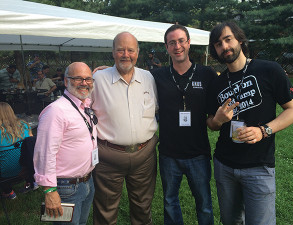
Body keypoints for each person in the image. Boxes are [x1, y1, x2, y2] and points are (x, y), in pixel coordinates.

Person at [207, 21, 293, 225]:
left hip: (259, 166)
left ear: (240, 39)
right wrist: (217, 120)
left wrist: (263, 130)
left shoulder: (269, 69)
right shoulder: (217, 83)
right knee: (230, 221)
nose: (224, 47)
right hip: (224, 165)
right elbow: (211, 124)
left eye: (227, 39)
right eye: (218, 44)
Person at [151, 24, 216, 225]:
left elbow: (215, 111)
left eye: (181, 41)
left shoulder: (207, 74)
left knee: (204, 203)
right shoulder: (157, 76)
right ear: (166, 47)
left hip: (198, 153)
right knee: (170, 202)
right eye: (172, 43)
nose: (177, 46)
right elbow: (131, 75)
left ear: (188, 43)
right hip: (169, 154)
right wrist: (106, 70)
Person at [92, 32, 158, 225]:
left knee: (143, 207)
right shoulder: (98, 79)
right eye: (120, 49)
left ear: (138, 52)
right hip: (108, 157)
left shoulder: (148, 78)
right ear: (113, 52)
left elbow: (156, 107)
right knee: (105, 209)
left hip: (144, 156)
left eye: (130, 50)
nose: (125, 54)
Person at [33, 62, 97, 224]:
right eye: (78, 78)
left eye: (88, 79)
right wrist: (50, 190)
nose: (84, 83)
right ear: (66, 81)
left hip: (87, 181)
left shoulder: (84, 106)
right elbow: (45, 152)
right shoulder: (56, 111)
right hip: (66, 187)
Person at [0, 102, 32, 199]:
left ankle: (8, 192)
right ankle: (30, 182)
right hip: (26, 169)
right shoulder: (24, 125)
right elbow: (31, 147)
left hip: (5, 173)